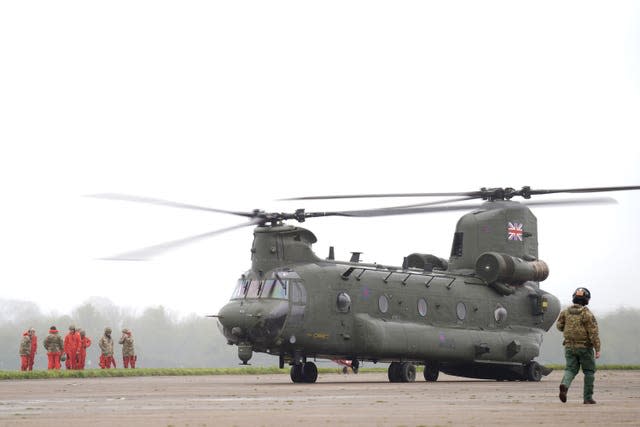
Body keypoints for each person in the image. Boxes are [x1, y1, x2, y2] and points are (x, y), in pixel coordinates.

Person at [556, 287, 601, 404]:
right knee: (589, 372)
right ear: (586, 300)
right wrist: (597, 349)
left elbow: (559, 326)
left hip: (569, 347)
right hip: (585, 348)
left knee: (570, 369)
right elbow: (593, 333)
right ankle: (587, 398)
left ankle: (564, 385)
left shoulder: (565, 312)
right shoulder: (587, 314)